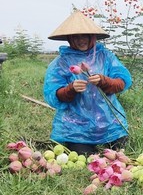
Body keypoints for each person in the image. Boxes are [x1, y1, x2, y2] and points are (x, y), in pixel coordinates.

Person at [44, 10, 132, 155]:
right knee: (84, 155)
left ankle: (107, 138)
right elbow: (54, 94)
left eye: (84, 35)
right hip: (77, 127)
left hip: (109, 124)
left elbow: (121, 83)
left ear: (92, 36)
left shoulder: (106, 56)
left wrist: (104, 81)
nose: (80, 40)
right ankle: (81, 143)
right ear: (69, 38)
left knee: (119, 149)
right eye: (75, 36)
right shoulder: (61, 62)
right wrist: (70, 89)